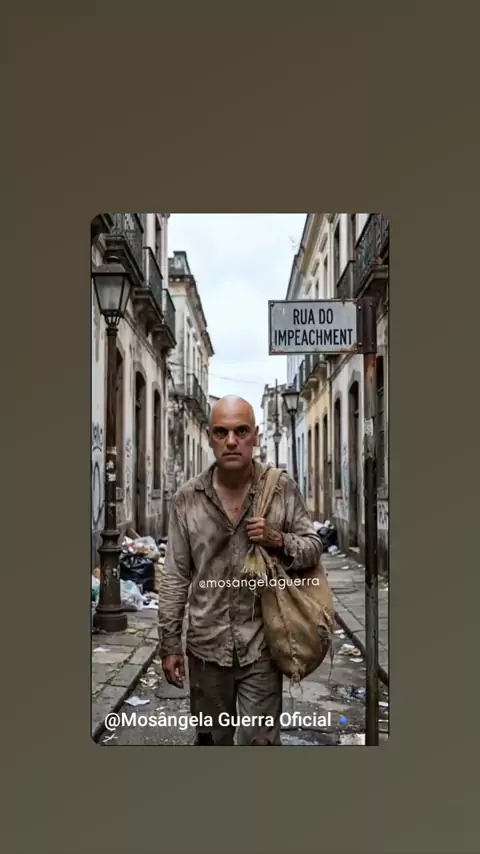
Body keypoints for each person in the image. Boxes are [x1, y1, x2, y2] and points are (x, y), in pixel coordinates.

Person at [157, 395, 322, 745]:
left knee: (259, 744)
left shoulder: (280, 489)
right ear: (209, 437)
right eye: (221, 432)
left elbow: (313, 547)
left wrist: (278, 540)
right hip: (206, 650)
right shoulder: (187, 499)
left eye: (241, 431)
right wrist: (169, 645)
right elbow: (174, 576)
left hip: (261, 647)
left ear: (256, 436)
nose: (231, 441)